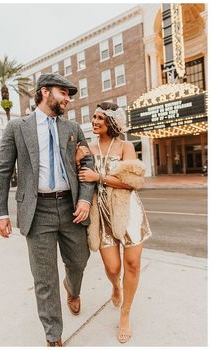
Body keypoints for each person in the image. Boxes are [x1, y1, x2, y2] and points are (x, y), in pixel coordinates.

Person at [0, 73, 95, 347]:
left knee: (78, 262)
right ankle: (53, 334)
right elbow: (2, 171)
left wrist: (85, 199)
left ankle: (72, 290)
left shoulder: (73, 127)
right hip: (37, 211)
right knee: (44, 276)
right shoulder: (17, 127)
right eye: (63, 92)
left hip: (72, 207)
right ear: (45, 92)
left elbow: (88, 164)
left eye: (69, 94)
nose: (68, 98)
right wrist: (0, 213)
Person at [76, 102, 152, 343]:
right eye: (93, 117)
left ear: (110, 122)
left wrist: (98, 176)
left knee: (131, 265)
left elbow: (133, 182)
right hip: (102, 215)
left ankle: (125, 314)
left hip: (128, 211)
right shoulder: (88, 148)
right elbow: (81, 179)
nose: (94, 121)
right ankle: (115, 286)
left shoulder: (126, 146)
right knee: (112, 268)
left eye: (99, 117)